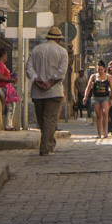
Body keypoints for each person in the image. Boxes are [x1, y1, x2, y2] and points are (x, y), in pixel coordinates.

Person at [26, 26, 69, 155]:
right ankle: (45, 147)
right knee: (50, 120)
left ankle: (48, 143)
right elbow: (62, 72)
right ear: (59, 39)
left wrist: (38, 80)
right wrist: (50, 82)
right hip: (54, 91)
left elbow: (29, 68)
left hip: (37, 92)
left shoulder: (36, 50)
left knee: (42, 121)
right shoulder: (62, 52)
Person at [83, 61, 112, 141]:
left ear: (104, 69)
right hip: (96, 97)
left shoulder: (109, 77)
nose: (99, 71)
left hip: (105, 97)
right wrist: (85, 96)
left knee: (105, 112)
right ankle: (99, 133)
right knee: (98, 115)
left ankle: (105, 132)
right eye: (98, 69)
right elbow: (88, 87)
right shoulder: (93, 76)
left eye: (101, 69)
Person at [0, 43, 19, 130]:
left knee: (6, 106)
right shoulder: (0, 64)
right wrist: (11, 80)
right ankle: (8, 125)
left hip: (4, 86)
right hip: (2, 87)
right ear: (3, 55)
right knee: (11, 105)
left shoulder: (1, 65)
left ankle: (6, 124)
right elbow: (0, 76)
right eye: (6, 55)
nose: (7, 57)